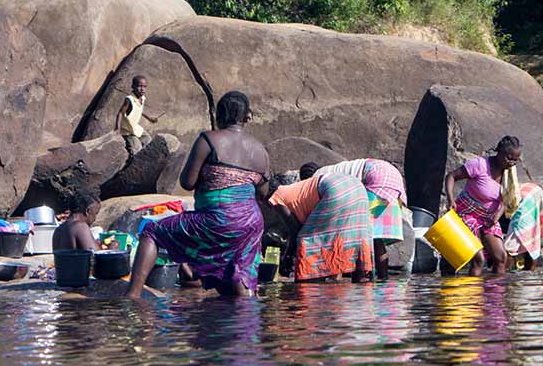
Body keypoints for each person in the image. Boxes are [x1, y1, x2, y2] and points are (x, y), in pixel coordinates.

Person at [125, 91, 269, 299]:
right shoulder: (260, 151)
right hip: (250, 224)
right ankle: (245, 316)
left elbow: (187, 182)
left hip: (218, 219)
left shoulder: (208, 139)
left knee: (152, 232)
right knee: (239, 275)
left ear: (218, 115)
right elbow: (264, 192)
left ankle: (132, 296)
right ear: (248, 116)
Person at [266, 171, 374, 283]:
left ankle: (311, 285)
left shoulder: (276, 197)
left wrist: (287, 257)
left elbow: (295, 231)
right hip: (357, 187)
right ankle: (360, 287)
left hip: (334, 187)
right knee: (353, 237)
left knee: (307, 241)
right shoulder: (294, 189)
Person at [314, 158, 407, 280]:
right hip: (393, 178)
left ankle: (351, 278)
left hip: (377, 177)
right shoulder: (333, 168)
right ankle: (383, 279)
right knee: (377, 238)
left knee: (352, 234)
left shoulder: (318, 178)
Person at [443, 136, 522, 276]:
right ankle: (474, 296)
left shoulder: (509, 173)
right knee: (478, 259)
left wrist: (497, 215)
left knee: (501, 257)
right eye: (509, 158)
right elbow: (451, 176)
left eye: (516, 160)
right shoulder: (480, 165)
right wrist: (450, 200)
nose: (512, 163)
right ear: (500, 152)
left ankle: (495, 296)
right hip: (466, 213)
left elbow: (507, 198)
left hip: (489, 218)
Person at [503, 181, 543, 270]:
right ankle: (528, 272)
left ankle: (504, 274)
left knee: (512, 246)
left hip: (526, 197)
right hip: (526, 193)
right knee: (526, 239)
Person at [115, 75, 162, 155]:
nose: (142, 89)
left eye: (144, 86)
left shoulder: (142, 98)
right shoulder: (129, 99)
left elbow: (138, 110)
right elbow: (120, 113)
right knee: (137, 149)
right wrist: (117, 129)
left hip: (135, 128)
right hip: (128, 131)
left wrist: (149, 118)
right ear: (133, 86)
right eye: (139, 86)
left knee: (148, 141)